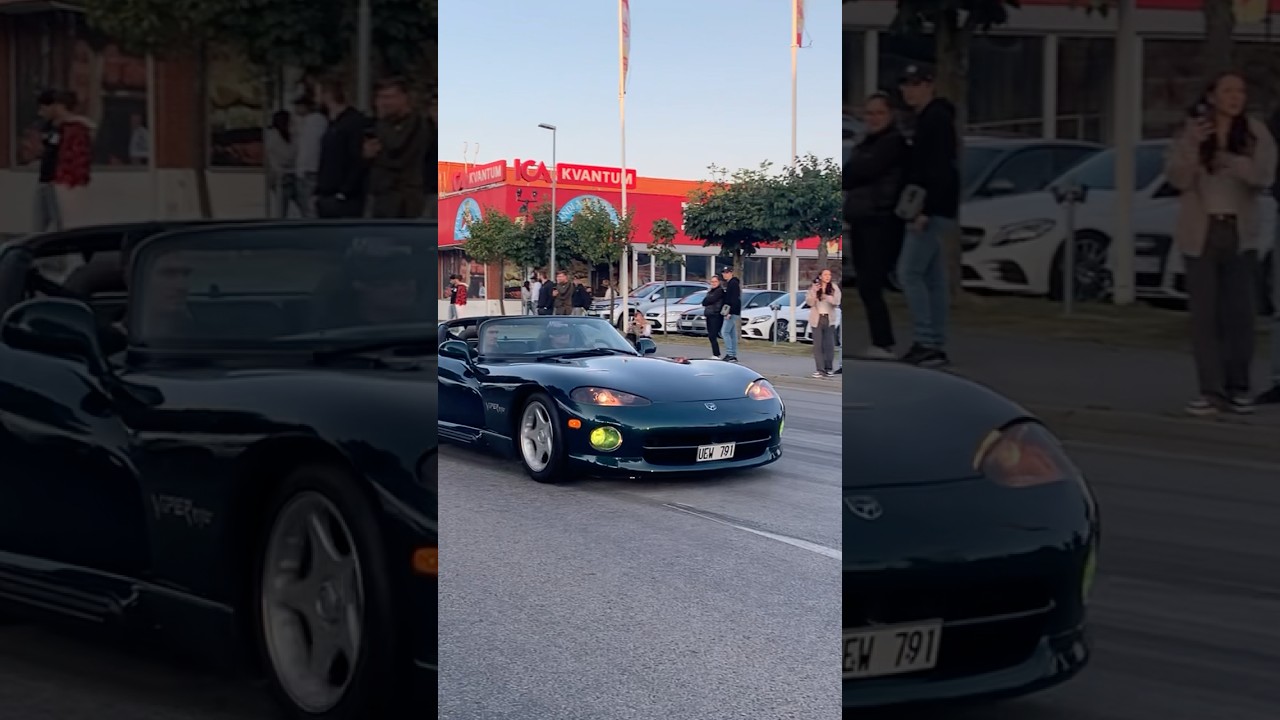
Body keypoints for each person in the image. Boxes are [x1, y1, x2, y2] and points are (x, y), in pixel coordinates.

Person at [1165, 71, 1277, 415]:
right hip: (1202, 231)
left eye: (1240, 91)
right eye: (1228, 90)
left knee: (1240, 315)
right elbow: (1177, 177)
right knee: (1205, 317)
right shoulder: (1193, 130)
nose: (1235, 97)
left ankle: (1238, 387)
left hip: (1239, 231)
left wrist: (1236, 161)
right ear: (1212, 96)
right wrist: (1194, 148)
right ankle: (1210, 391)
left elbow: (1264, 176)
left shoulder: (1255, 132)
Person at [897, 64, 959, 368]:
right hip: (933, 206)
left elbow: (938, 168)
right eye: (906, 83)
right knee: (933, 278)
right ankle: (934, 343)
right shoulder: (929, 118)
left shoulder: (935, 119)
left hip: (929, 207)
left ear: (930, 85)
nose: (910, 89)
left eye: (916, 83)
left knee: (909, 272)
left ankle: (926, 340)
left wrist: (925, 208)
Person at [846, 92, 907, 360]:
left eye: (879, 113)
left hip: (881, 219)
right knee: (865, 284)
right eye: (869, 113)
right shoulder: (867, 143)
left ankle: (884, 342)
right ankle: (880, 340)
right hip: (862, 217)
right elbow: (849, 175)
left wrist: (859, 167)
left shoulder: (892, 143)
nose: (873, 118)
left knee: (873, 281)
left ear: (890, 114)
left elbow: (861, 171)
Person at [368, 77, 430, 218]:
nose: (384, 103)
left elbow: (396, 148)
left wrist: (381, 123)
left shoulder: (417, 123)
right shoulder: (386, 124)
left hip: (404, 198)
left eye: (389, 97)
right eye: (381, 97)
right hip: (382, 194)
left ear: (404, 98)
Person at [35, 90, 95, 232]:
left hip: (63, 181)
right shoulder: (55, 127)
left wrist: (67, 180)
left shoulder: (75, 129)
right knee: (42, 222)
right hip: (49, 179)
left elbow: (75, 157)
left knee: (62, 222)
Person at [313, 79, 369, 219]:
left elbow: (357, 158)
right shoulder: (333, 123)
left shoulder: (353, 122)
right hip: (327, 193)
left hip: (344, 197)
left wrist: (344, 192)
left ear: (327, 95)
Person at [294, 95, 328, 217]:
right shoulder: (303, 122)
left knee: (309, 206)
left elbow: (310, 148)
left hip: (310, 169)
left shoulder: (315, 121)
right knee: (305, 205)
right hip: (306, 169)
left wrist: (303, 168)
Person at [265, 110, 303, 218]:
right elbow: (276, 161)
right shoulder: (273, 138)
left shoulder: (293, 136)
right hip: (280, 179)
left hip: (292, 176)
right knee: (281, 210)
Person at [807, 269, 841, 377]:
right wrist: (815, 294)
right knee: (818, 346)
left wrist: (827, 297)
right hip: (817, 319)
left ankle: (828, 368)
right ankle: (820, 370)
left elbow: (837, 302)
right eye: (825, 274)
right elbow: (809, 302)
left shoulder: (834, 287)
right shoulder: (814, 287)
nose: (828, 276)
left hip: (829, 319)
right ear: (820, 276)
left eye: (829, 275)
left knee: (829, 345)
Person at [718, 266, 742, 362]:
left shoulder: (733, 283)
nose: (725, 274)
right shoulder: (730, 283)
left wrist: (729, 312)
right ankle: (733, 354)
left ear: (731, 272)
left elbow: (734, 299)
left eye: (727, 272)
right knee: (732, 334)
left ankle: (730, 353)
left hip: (731, 311)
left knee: (725, 332)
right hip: (731, 311)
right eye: (724, 272)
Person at [701, 274, 726, 358]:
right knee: (711, 335)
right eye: (712, 282)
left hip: (716, 315)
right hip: (709, 314)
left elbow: (711, 299)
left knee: (713, 335)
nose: (713, 283)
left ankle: (716, 354)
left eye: (715, 281)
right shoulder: (711, 291)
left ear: (719, 282)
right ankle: (715, 353)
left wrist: (708, 299)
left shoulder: (719, 291)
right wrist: (708, 299)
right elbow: (704, 302)